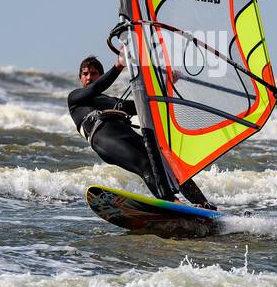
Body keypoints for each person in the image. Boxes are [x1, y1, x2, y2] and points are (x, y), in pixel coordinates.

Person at [67, 53, 214, 208]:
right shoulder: (75, 98)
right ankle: (174, 204)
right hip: (104, 139)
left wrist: (166, 86)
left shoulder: (109, 101)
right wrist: (119, 65)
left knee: (168, 165)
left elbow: (143, 105)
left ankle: (204, 205)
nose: (89, 77)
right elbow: (96, 88)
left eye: (94, 73)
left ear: (100, 75)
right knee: (144, 164)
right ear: (80, 78)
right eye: (85, 74)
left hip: (125, 134)